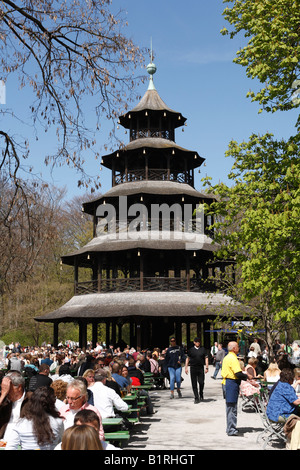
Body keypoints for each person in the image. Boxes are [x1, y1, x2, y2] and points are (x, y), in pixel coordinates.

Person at [221, 341, 248, 436]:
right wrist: (247, 377)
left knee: (230, 407)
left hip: (227, 383)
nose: (239, 348)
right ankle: (231, 429)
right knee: (232, 407)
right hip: (231, 383)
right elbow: (238, 373)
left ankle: (230, 427)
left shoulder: (227, 357)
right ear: (234, 348)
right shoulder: (233, 358)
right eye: (237, 346)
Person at [0, 371, 31, 441]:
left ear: (19, 387)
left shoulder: (31, 399)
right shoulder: (3, 399)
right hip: (3, 440)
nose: (6, 391)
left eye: (8, 388)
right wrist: (3, 395)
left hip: (23, 442)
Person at [185, 337, 209, 403]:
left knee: (201, 382)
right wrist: (186, 367)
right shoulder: (191, 350)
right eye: (196, 341)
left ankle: (201, 392)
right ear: (194, 342)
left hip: (200, 367)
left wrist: (207, 367)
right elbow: (187, 359)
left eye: (199, 341)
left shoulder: (203, 349)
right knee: (194, 383)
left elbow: (206, 358)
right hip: (193, 367)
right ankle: (196, 397)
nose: (198, 342)